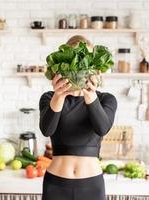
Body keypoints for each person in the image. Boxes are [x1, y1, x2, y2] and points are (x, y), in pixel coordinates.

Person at [39, 35, 117, 200]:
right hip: (55, 184)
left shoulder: (106, 99)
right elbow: (47, 130)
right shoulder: (49, 97)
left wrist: (90, 96)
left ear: (94, 66)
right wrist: (59, 95)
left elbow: (102, 128)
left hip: (92, 186)